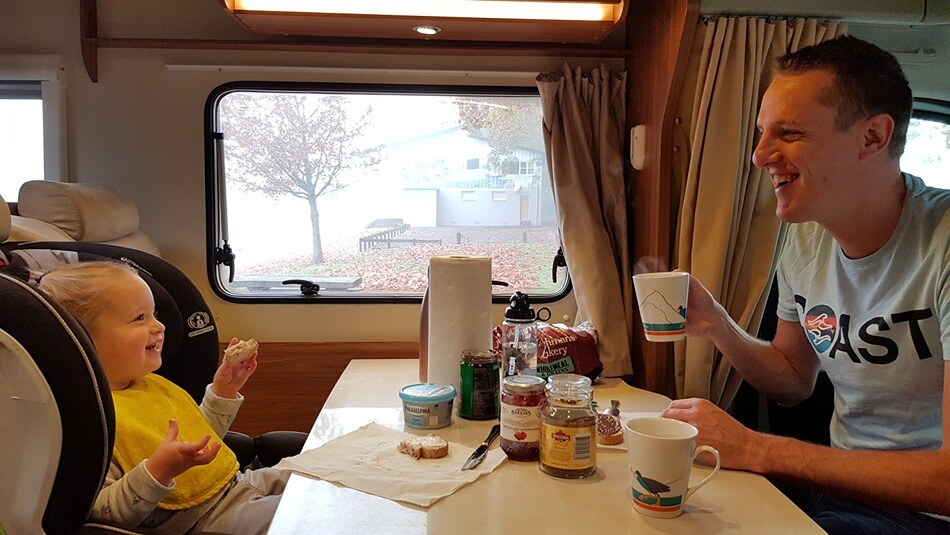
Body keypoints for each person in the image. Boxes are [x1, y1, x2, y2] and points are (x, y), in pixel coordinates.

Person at [662, 36, 949, 533]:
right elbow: (794, 380)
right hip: (839, 491)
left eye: (789, 133)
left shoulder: (942, 244)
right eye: (761, 133)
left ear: (873, 137)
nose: (760, 156)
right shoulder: (805, 241)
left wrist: (756, 448)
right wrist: (717, 323)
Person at [39, 261, 290, 534]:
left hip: (235, 484)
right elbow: (103, 515)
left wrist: (223, 391)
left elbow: (197, 443)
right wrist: (158, 472)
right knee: (312, 514)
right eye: (139, 318)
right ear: (82, 339)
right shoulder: (92, 421)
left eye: (154, 314)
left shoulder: (150, 385)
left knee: (318, 480)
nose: (159, 326)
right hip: (208, 520)